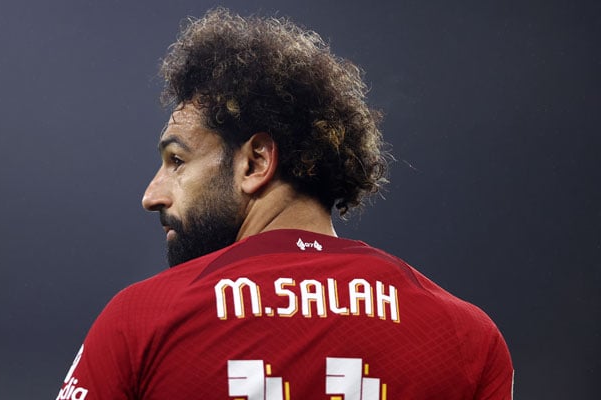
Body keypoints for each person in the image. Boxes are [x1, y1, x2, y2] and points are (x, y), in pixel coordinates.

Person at [55, 7, 513, 400]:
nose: (151, 195)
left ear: (255, 162)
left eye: (177, 160)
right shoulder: (466, 336)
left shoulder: (143, 319)